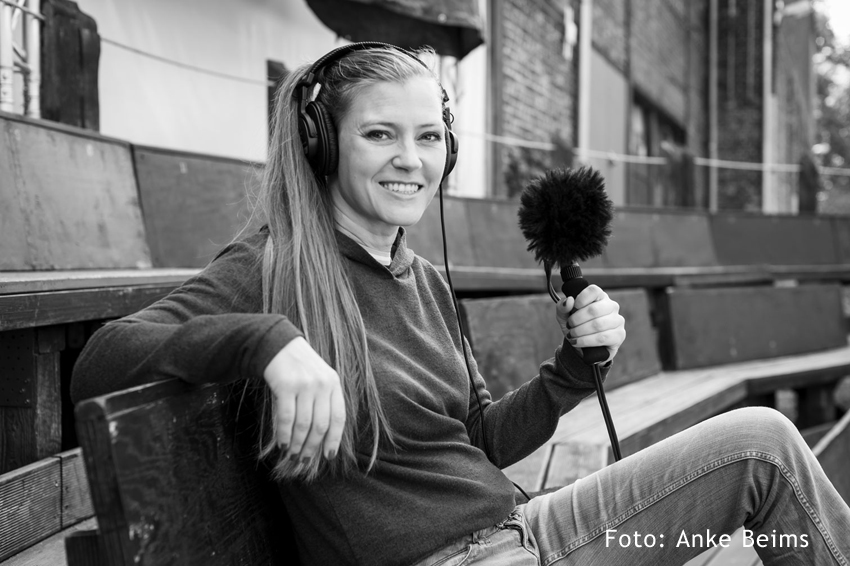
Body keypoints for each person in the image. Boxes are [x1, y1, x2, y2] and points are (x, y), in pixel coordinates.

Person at [71, 43, 850, 566]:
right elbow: (100, 359)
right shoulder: (273, 269)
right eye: (380, 134)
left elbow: (477, 440)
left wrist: (570, 374)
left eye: (429, 137)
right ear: (322, 142)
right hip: (466, 559)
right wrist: (263, 341)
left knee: (764, 444)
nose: (412, 160)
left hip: (523, 530)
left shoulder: (424, 280)